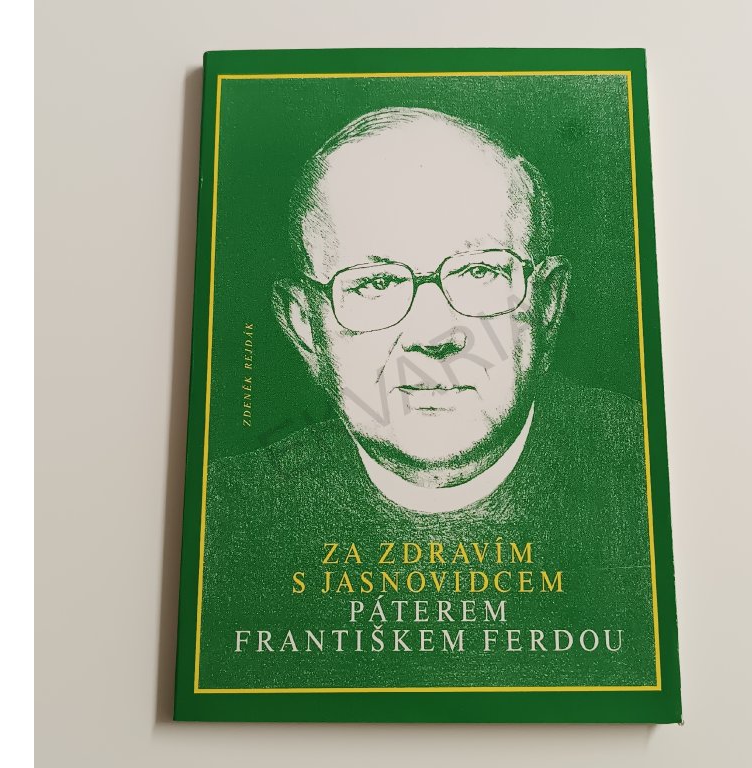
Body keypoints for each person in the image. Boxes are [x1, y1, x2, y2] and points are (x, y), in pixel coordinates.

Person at [200, 107, 655, 690]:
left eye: (480, 273)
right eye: (374, 283)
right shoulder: (225, 522)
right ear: (305, 328)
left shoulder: (646, 477)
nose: (433, 335)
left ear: (547, 304)